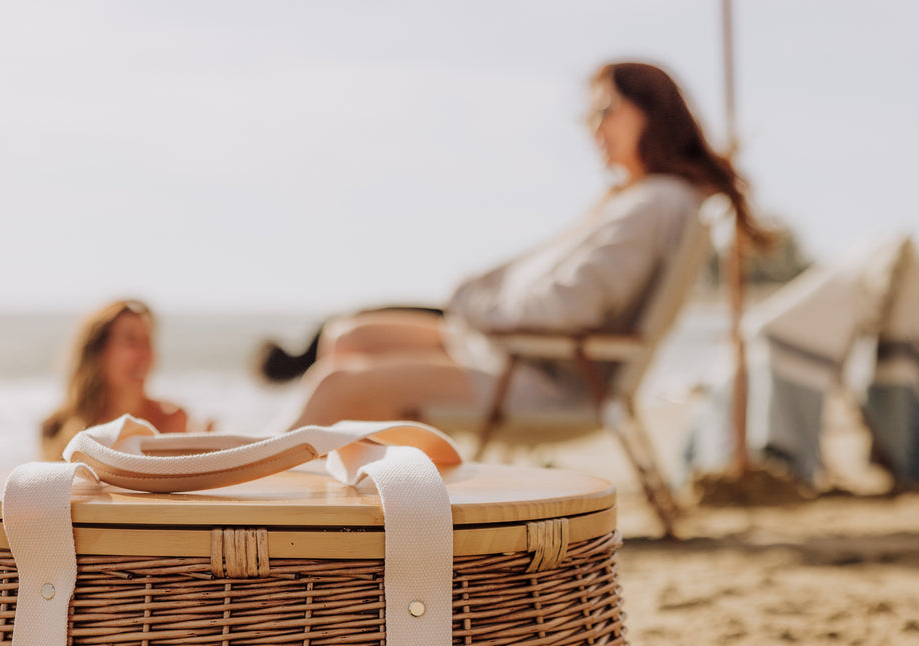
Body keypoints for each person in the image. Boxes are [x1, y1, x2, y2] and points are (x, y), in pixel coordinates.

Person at [264, 61, 770, 428]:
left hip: (539, 378)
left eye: (606, 111)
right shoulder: (641, 199)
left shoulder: (655, 203)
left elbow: (568, 306)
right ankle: (372, 491)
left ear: (652, 112)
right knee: (349, 337)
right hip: (516, 355)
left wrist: (475, 302)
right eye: (589, 115)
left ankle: (258, 492)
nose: (593, 127)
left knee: (336, 384)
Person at [40, 298, 194, 459]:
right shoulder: (55, 427)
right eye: (131, 341)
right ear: (98, 353)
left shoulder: (171, 419)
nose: (145, 355)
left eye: (147, 342)